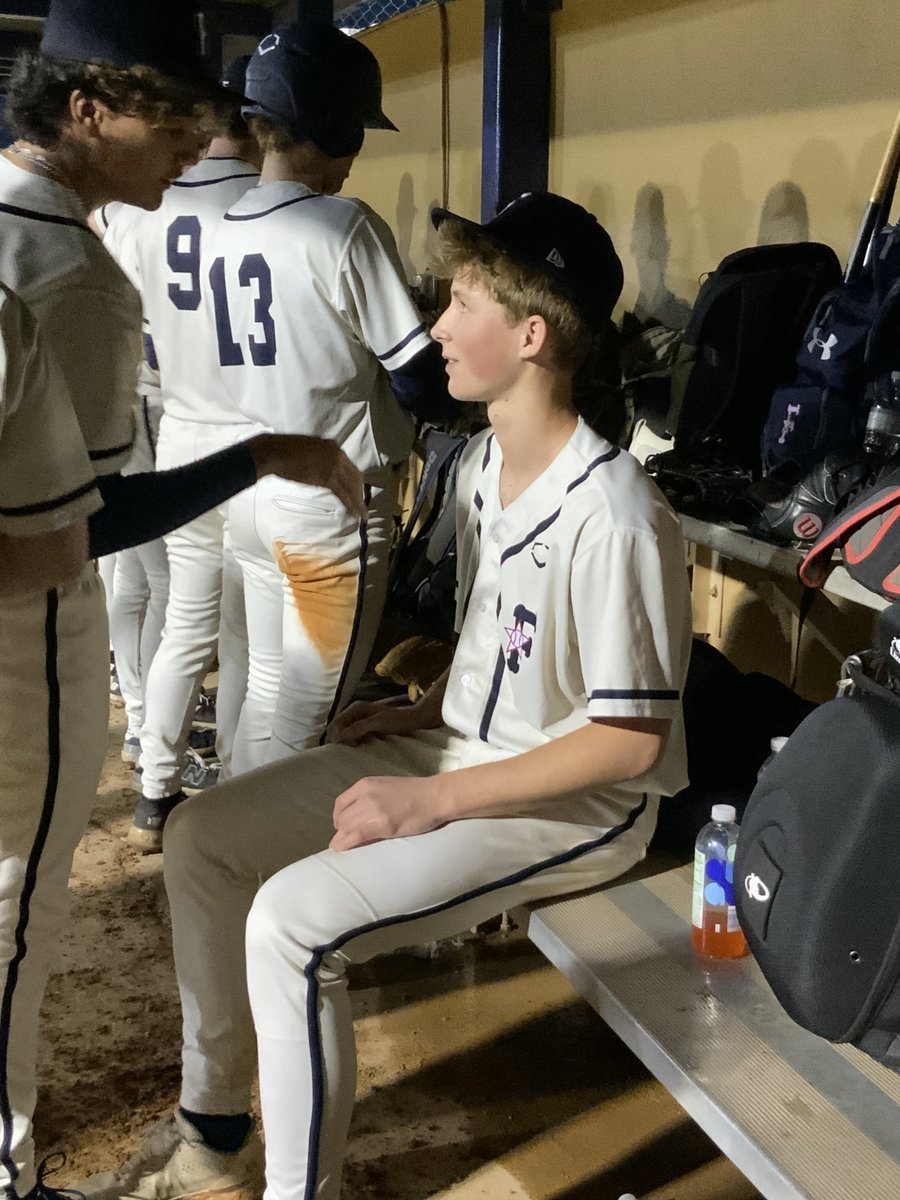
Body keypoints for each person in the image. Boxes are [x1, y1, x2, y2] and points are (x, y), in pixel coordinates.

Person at [84, 191, 692, 1200]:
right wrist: (429, 711)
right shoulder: (485, 462)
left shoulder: (618, 509)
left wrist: (434, 797)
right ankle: (215, 1133)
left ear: (533, 334)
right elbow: (508, 632)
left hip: (573, 801)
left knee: (294, 919)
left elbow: (629, 743)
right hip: (462, 751)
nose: (439, 326)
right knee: (200, 839)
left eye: (462, 303)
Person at [0, 4, 364, 1199]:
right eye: (172, 116)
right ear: (85, 109)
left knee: (183, 644)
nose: (196, 142)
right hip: (32, 629)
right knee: (14, 914)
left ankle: (167, 793)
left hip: (166, 486)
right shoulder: (73, 272)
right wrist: (267, 452)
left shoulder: (54, 228)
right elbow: (79, 527)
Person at [211, 22, 456, 776]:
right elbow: (422, 380)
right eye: (353, 132)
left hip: (246, 491)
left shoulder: (221, 221)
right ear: (324, 129)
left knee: (260, 693)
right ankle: (259, 873)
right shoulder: (341, 224)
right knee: (306, 726)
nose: (356, 152)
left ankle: (220, 845)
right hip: (328, 502)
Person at [97, 56, 264, 849]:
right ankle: (230, 788)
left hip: (162, 413)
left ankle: (152, 782)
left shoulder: (138, 206)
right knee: (225, 629)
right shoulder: (271, 208)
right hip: (242, 435)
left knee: (170, 608)